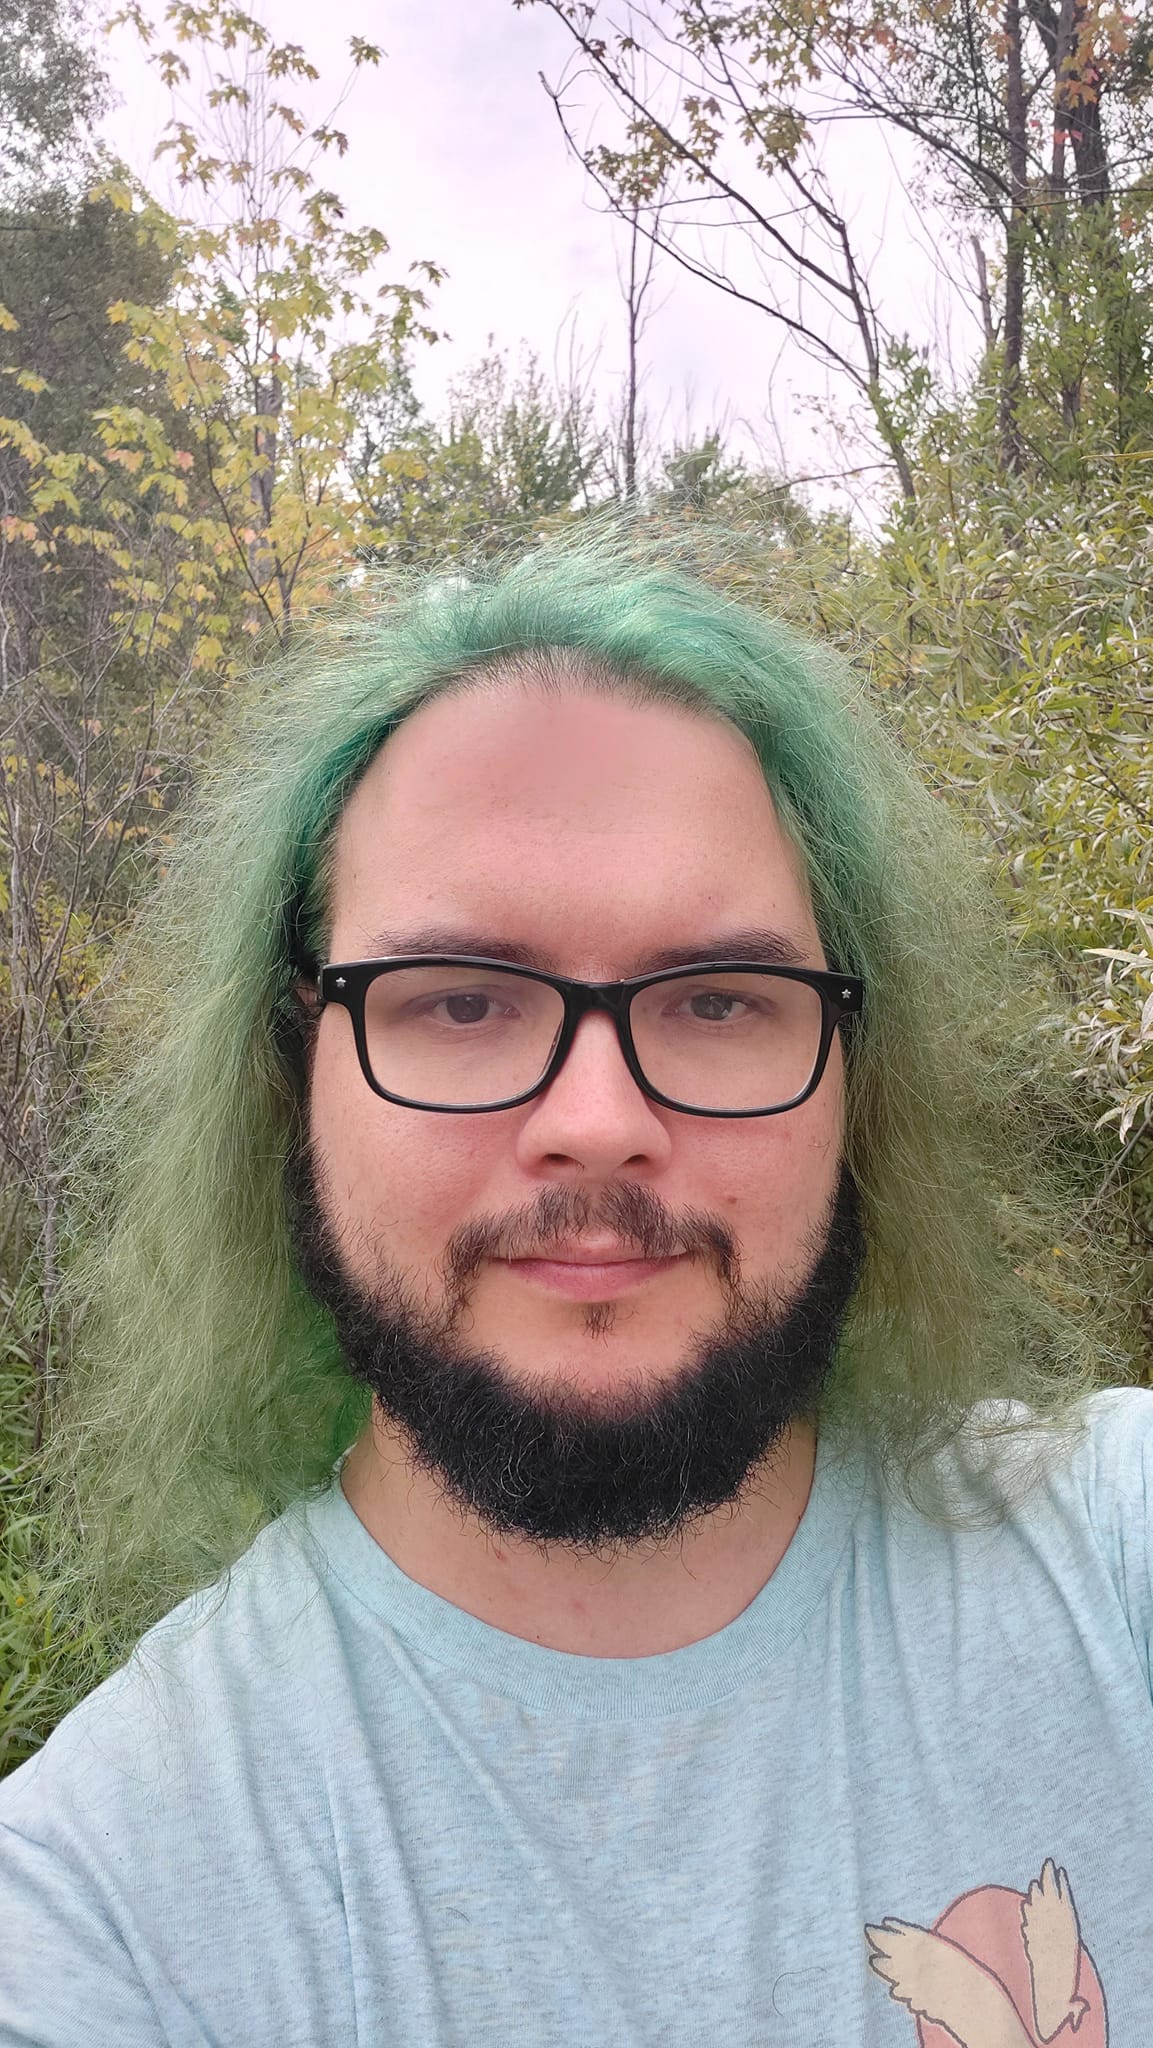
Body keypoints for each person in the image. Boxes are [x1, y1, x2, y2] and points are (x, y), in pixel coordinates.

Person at [0, 531, 1149, 2048]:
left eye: (721, 1000)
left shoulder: (1115, 1557)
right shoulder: (106, 1908)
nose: (598, 1119)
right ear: (293, 1076)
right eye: (460, 1000)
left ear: (858, 1085)